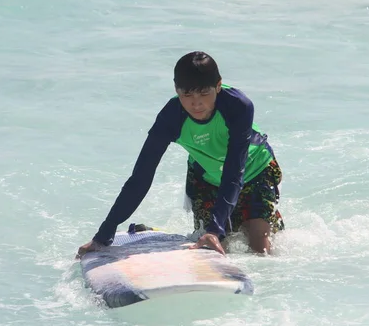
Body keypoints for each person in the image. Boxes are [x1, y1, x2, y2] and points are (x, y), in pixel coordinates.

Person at [76, 51, 284, 258]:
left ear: (218, 86)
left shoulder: (237, 106)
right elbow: (140, 177)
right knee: (217, 246)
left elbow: (233, 171)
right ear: (176, 90)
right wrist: (104, 234)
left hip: (256, 171)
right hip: (206, 178)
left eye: (204, 93)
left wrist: (214, 228)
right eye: (187, 95)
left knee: (260, 248)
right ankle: (156, 235)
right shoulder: (171, 117)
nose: (196, 103)